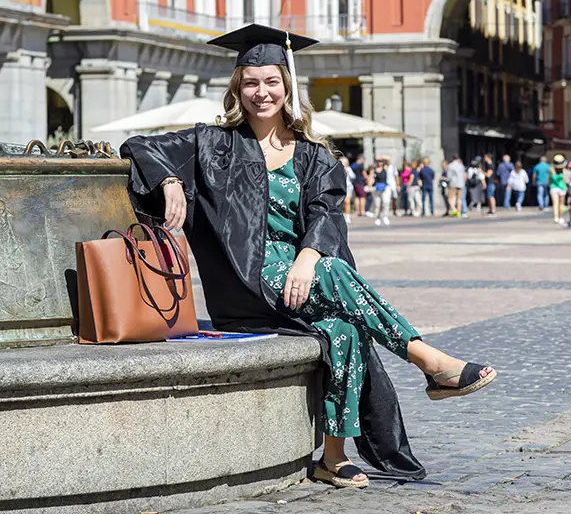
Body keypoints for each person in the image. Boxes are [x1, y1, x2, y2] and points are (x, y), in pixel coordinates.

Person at [120, 25, 496, 490]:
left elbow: (328, 217)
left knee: (344, 330)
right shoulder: (212, 144)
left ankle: (332, 457)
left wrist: (306, 257)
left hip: (303, 277)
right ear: (238, 87)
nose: (262, 93)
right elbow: (140, 146)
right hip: (246, 279)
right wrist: (171, 180)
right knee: (333, 271)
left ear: (288, 86)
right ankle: (428, 360)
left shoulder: (315, 158)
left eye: (272, 82)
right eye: (252, 82)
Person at [370, 158, 391, 226]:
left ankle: (385, 216)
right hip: (377, 188)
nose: (380, 163)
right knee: (377, 204)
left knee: (386, 202)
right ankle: (377, 218)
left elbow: (389, 160)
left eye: (381, 161)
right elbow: (371, 178)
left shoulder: (385, 168)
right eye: (378, 161)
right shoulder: (374, 170)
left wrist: (381, 157)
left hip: (385, 188)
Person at [549, 154, 568, 224]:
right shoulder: (564, 170)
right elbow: (565, 180)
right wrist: (566, 187)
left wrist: (549, 185)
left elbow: (549, 179)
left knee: (555, 203)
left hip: (553, 187)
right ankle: (561, 217)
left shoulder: (551, 170)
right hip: (562, 187)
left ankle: (555, 217)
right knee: (561, 204)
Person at [340, 156, 354, 224]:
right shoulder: (338, 169)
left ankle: (347, 216)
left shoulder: (348, 169)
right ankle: (341, 216)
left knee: (347, 202)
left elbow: (353, 176)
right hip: (341, 186)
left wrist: (347, 171)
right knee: (341, 202)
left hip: (348, 186)